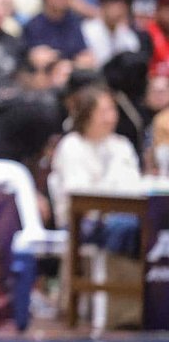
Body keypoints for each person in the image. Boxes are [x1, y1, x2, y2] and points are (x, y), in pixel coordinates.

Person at [50, 87, 143, 255]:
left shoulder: (122, 145)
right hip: (83, 222)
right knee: (124, 227)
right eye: (103, 111)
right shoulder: (72, 145)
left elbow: (133, 185)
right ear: (86, 115)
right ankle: (111, 277)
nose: (110, 117)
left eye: (112, 110)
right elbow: (78, 195)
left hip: (124, 215)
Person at [21, 0, 91, 62]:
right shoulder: (34, 26)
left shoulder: (74, 22)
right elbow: (34, 58)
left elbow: (82, 53)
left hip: (72, 72)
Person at [83, 0, 142, 67]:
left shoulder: (127, 34)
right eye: (115, 5)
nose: (119, 10)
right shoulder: (86, 30)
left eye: (123, 6)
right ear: (104, 5)